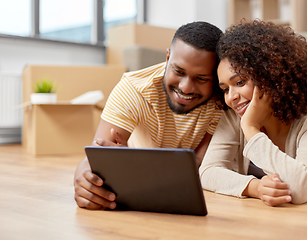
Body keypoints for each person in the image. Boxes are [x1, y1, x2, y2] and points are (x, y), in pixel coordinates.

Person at [199, 20, 307, 207]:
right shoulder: (235, 113)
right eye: (225, 89)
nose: (231, 97)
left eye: (240, 82)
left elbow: (300, 189)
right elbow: (208, 171)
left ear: (267, 75)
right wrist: (255, 187)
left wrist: (250, 128)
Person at [74, 21, 224, 210]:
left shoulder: (222, 99)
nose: (185, 87)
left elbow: (201, 163)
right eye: (178, 71)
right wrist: (84, 180)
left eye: (201, 78)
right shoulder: (133, 89)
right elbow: (95, 158)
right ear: (168, 57)